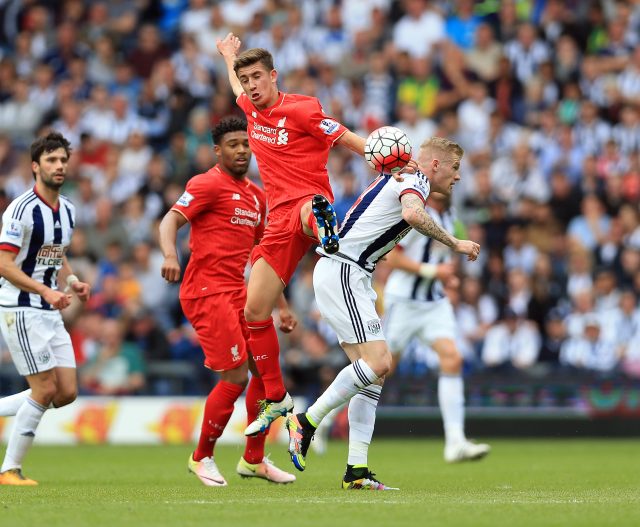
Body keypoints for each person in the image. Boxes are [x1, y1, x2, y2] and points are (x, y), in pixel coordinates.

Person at [216, 33, 401, 436]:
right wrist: (229, 56)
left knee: (308, 209)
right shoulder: (248, 105)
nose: (250, 85)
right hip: (276, 219)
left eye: (257, 77)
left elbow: (345, 136)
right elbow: (234, 88)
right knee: (254, 312)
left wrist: (386, 163)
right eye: (245, 79)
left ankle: (324, 226)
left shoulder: (302, 110)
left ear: (274, 76)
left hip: (306, 201)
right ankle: (279, 398)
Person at [286, 137, 481, 490]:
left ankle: (356, 472)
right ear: (435, 165)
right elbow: (410, 214)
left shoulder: (401, 173)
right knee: (379, 363)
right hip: (345, 270)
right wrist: (455, 243)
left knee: (372, 375)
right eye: (454, 168)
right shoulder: (417, 180)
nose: (458, 177)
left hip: (349, 273)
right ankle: (307, 420)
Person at [159, 117, 296, 486]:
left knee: (264, 374)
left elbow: (263, 254)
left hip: (237, 290)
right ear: (218, 150)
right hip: (205, 290)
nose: (241, 150)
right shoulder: (206, 184)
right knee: (234, 376)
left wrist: (281, 305)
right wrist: (170, 256)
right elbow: (169, 222)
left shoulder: (257, 195)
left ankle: (253, 460)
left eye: (245, 144)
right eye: (233, 144)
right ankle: (200, 456)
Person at [0, 131, 91, 486]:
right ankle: (9, 470)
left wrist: (70, 283)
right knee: (43, 389)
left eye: (63, 161)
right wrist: (45, 291)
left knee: (65, 391)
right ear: (35, 166)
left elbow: (56, 253)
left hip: (49, 307)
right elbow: (5, 264)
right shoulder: (20, 210)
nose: (59, 167)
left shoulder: (67, 209)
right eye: (52, 161)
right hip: (21, 307)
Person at [383, 191, 491, 463]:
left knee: (452, 358)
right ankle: (321, 419)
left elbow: (443, 259)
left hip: (434, 302)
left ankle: (455, 441)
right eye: (451, 170)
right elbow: (391, 258)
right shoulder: (414, 213)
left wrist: (448, 278)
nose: (455, 179)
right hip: (404, 301)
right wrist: (434, 273)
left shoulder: (452, 217)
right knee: (381, 369)